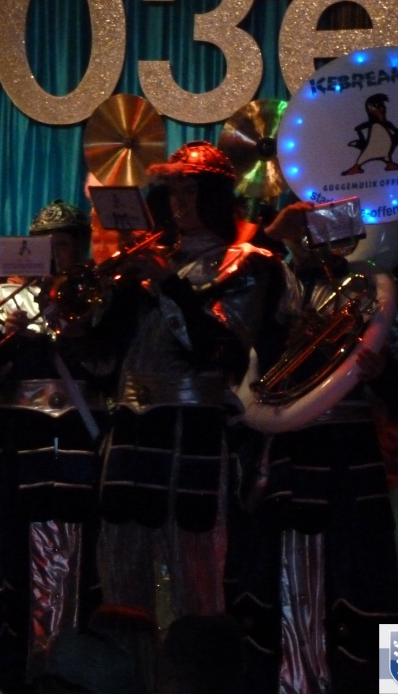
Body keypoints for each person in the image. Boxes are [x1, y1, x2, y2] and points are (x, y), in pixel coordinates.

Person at [93, 140, 292, 624]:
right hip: (130, 426)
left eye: (191, 192)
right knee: (120, 550)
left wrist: (167, 284)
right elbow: (104, 358)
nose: (179, 204)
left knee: (193, 557)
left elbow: (216, 348)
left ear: (217, 198)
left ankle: (194, 657)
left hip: (191, 424)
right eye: (173, 193)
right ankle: (127, 654)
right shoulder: (154, 259)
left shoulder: (247, 262)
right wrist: (96, 311)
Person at [224, 210, 398, 693]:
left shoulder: (371, 291)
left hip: (348, 453)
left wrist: (380, 372)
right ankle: (290, 678)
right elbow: (242, 341)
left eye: (321, 230)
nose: (311, 240)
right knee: (281, 569)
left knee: (354, 573)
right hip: (287, 448)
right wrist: (271, 238)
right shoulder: (273, 285)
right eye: (303, 231)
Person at [0, 200, 113, 692]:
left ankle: (62, 659)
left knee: (69, 545)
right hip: (14, 445)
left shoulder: (99, 293)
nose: (55, 254)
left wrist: (72, 332)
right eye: (47, 245)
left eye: (64, 245)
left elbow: (108, 365)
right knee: (7, 550)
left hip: (71, 442)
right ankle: (8, 662)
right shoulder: (7, 295)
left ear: (80, 247)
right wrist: (8, 335)